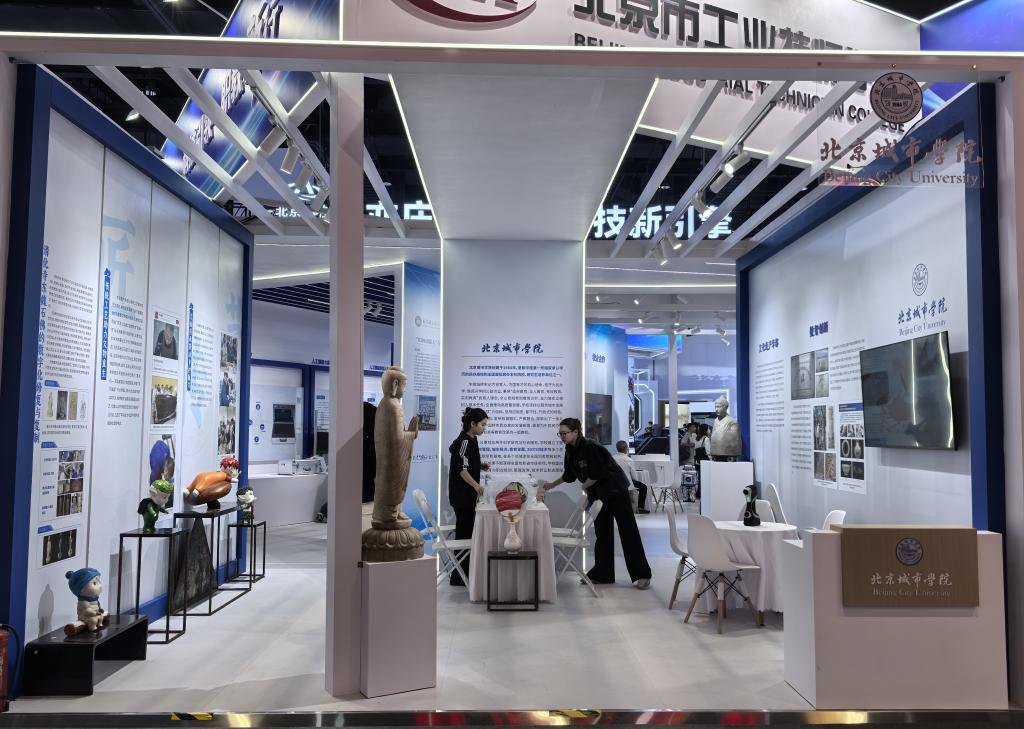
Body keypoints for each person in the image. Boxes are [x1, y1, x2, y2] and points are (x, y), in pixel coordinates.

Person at [542, 418, 652, 588]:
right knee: (602, 533)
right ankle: (603, 574)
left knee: (628, 531)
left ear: (575, 432)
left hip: (616, 491)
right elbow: (569, 475)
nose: (562, 437)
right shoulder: (570, 450)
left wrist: (585, 485)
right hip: (599, 494)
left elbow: (598, 472)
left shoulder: (590, 447)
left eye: (565, 433)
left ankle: (642, 574)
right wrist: (551, 485)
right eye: (560, 434)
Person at [447, 407, 490, 586]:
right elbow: (462, 470)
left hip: (467, 497)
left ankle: (465, 573)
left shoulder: (472, 440)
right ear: (472, 424)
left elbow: (467, 463)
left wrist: (480, 465)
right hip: (463, 497)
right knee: (464, 536)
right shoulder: (464, 442)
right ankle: (459, 576)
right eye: (482, 424)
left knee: (467, 534)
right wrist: (476, 486)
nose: (484, 428)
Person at [613, 440, 649, 514]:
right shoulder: (629, 460)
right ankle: (640, 508)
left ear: (617, 448)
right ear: (626, 448)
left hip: (615, 483)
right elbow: (634, 476)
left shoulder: (612, 459)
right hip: (627, 483)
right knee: (644, 487)